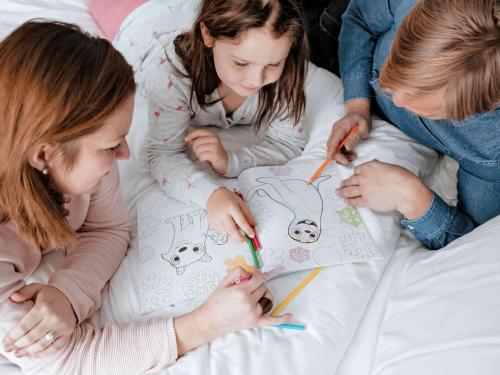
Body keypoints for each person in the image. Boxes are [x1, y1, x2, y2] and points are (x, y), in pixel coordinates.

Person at [0, 20, 290, 374]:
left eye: (122, 136)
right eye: (110, 146)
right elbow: (62, 360)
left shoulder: (83, 161)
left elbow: (108, 229)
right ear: (44, 156)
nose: (124, 154)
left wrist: (67, 294)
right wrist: (203, 325)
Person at [90, 0, 309, 243]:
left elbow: (288, 143)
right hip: (135, 15)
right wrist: (210, 195)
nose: (256, 80)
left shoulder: (286, 69)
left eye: (273, 64)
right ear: (207, 35)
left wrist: (230, 162)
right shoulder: (171, 71)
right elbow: (162, 154)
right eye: (241, 63)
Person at [327, 0, 500, 249]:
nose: (394, 99)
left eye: (423, 107)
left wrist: (410, 195)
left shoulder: (492, 151)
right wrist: (357, 104)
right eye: (394, 62)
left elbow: (471, 246)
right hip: (339, 40)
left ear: (467, 112)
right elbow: (359, 16)